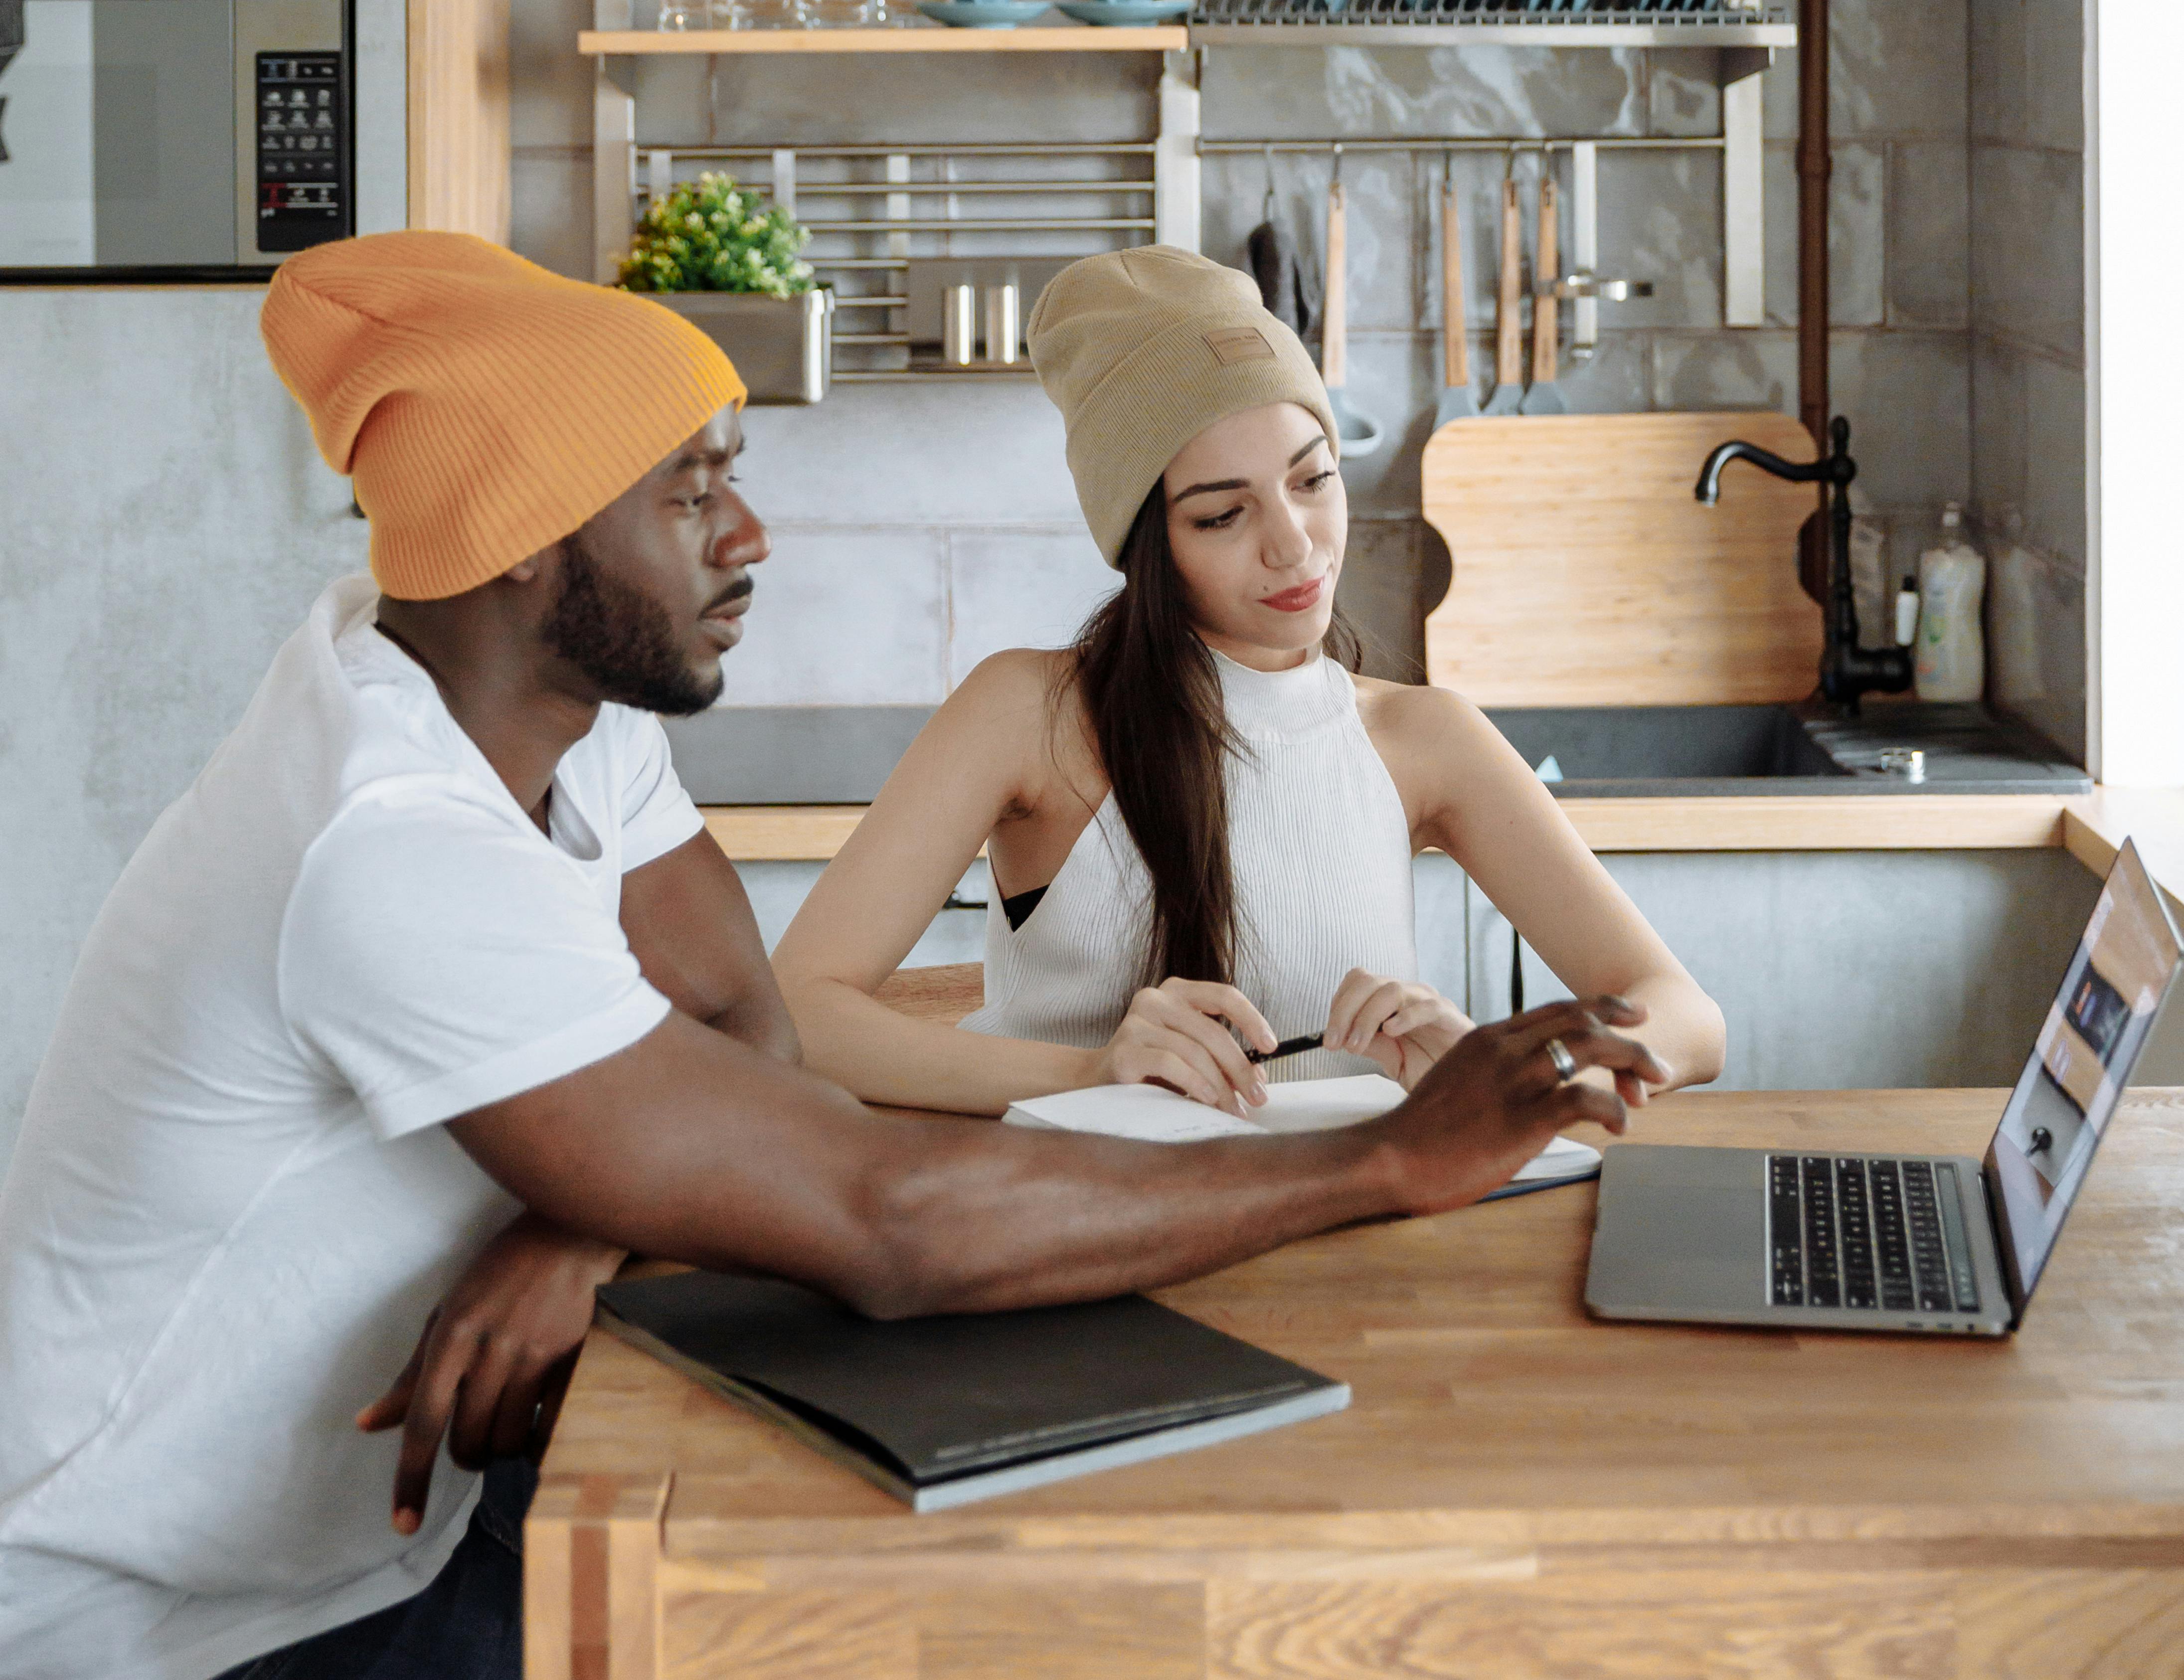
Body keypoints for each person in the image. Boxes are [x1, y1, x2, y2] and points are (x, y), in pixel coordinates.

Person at [0, 233, 1663, 1680]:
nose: (751, 538)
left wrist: (596, 1207)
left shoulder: (553, 717)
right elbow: (882, 1220)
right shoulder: (386, 837)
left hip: (414, 1514)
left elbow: (742, 1019)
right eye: (692, 491)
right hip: (196, 1622)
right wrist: (1388, 1155)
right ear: (525, 537)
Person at [778, 247, 1724, 1117]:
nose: (1295, 544)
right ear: (1147, 544)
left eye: (1312, 481)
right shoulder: (1031, 714)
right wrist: (1091, 1072)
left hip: (1345, 1243)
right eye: (1223, 515)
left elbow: (1685, 1018)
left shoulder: (1423, 737)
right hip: (1075, 1229)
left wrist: (1496, 1073)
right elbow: (795, 1014)